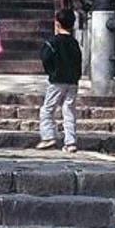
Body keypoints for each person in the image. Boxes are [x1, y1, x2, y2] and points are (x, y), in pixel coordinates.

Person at [34, 12, 82, 151]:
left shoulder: (52, 42)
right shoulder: (74, 42)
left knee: (47, 109)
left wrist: (51, 72)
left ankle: (48, 137)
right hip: (72, 81)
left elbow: (45, 58)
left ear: (57, 23)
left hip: (57, 80)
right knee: (69, 111)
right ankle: (71, 142)